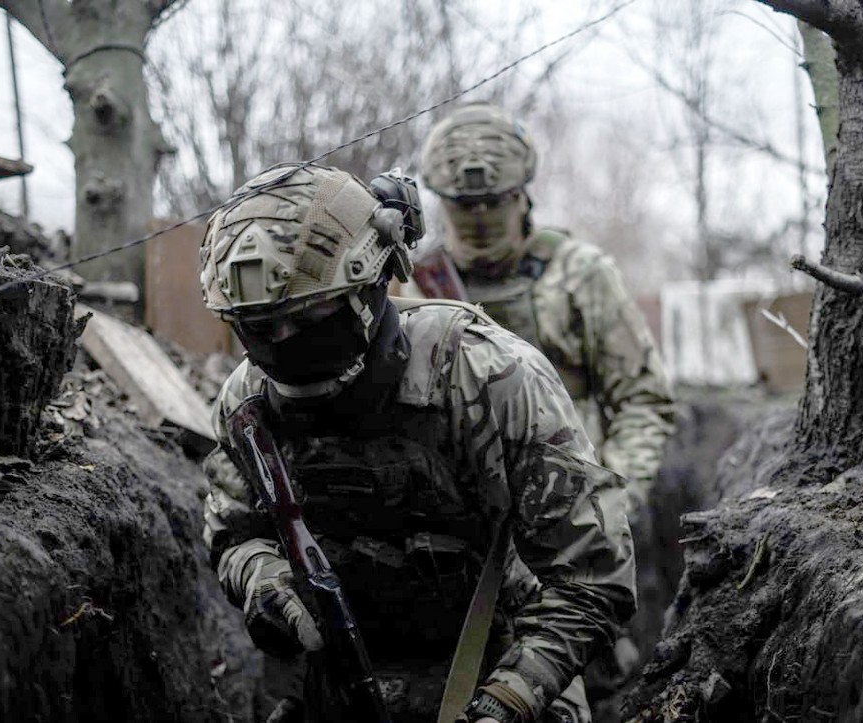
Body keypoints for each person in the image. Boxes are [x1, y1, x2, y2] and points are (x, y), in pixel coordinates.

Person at [198, 162, 637, 723]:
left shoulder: (488, 376)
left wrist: (510, 700)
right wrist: (263, 577)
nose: (283, 344)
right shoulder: (248, 404)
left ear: (369, 289)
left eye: (307, 317)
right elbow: (234, 534)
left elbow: (593, 578)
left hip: (508, 660)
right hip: (338, 676)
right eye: (259, 327)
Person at [420, 103, 676, 702]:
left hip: (573, 523)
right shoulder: (414, 282)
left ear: (522, 194)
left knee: (600, 682)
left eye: (494, 202)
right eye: (464, 206)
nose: (480, 217)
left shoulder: (579, 275)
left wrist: (618, 494)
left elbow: (641, 399)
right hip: (458, 534)